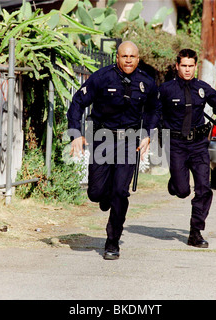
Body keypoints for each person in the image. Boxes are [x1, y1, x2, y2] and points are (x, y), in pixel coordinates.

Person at [67, 41, 161, 260]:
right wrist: (75, 133)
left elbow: (155, 109)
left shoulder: (147, 82)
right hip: (103, 138)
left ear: (138, 59)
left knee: (121, 191)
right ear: (117, 58)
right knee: (95, 193)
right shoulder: (101, 78)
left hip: (129, 141)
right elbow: (78, 102)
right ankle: (104, 195)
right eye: (124, 56)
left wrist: (147, 133)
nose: (128, 60)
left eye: (132, 57)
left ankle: (112, 241)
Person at [159, 49, 216, 248]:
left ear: (195, 66)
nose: (187, 70)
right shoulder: (166, 89)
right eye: (184, 66)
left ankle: (195, 232)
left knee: (204, 188)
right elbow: (153, 111)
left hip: (198, 144)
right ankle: (175, 183)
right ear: (177, 66)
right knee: (182, 190)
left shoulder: (202, 87)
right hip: (176, 145)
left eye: (191, 66)